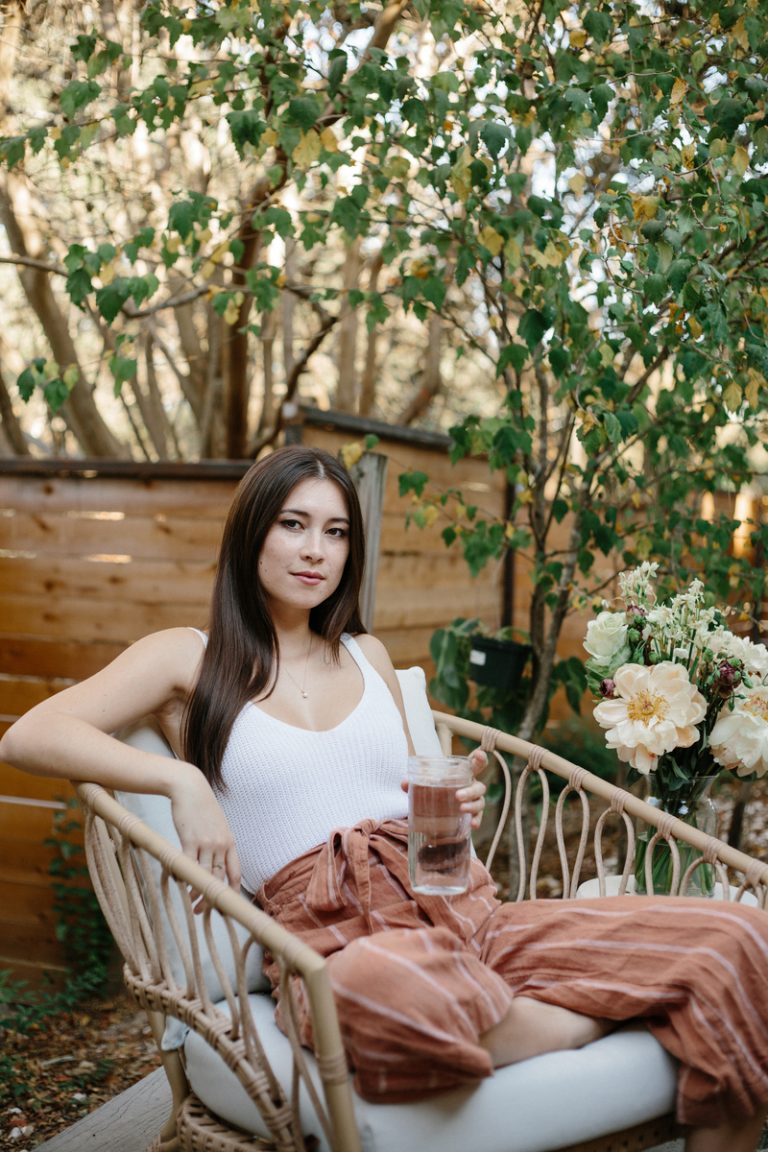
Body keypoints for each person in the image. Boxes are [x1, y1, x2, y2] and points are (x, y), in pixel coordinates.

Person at [1, 444, 767, 1152]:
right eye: (293, 524)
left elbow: (406, 786)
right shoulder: (188, 659)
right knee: (376, 992)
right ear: (249, 536)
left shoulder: (365, 653)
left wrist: (456, 793)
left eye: (335, 533)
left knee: (738, 939)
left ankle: (526, 1005)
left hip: (464, 913)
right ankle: (578, 1019)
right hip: (334, 944)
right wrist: (182, 778)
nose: (314, 550)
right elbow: (29, 735)